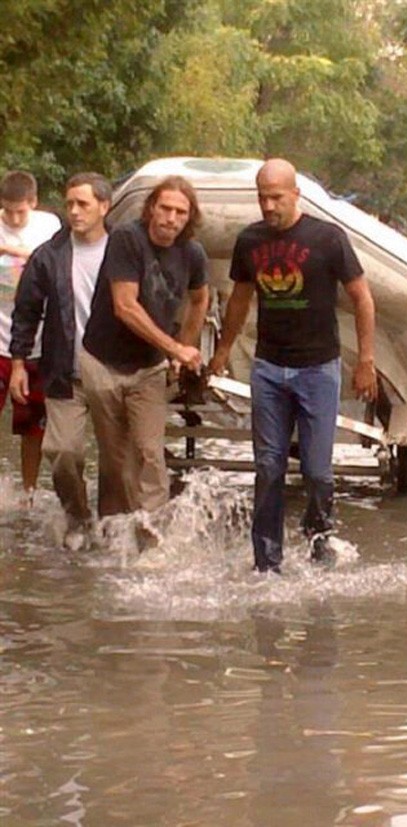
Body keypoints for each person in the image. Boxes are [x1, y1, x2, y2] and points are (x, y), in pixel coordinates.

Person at [208, 158, 377, 573]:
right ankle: (266, 562)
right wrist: (223, 350)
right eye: (262, 198)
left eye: (276, 197)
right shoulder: (250, 240)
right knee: (268, 467)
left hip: (318, 368)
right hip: (269, 368)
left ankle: (319, 543)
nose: (269, 206)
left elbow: (362, 298)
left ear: (295, 194)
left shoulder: (327, 238)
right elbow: (240, 299)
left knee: (318, 472)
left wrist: (366, 360)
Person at [80, 175, 210, 522]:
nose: (171, 218)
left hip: (149, 367)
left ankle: (152, 531)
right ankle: (112, 527)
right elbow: (125, 306)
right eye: (165, 209)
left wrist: (185, 347)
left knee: (150, 452)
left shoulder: (193, 253)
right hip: (103, 360)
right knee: (114, 457)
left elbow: (200, 299)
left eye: (180, 212)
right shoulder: (127, 238)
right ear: (152, 208)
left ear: (189, 217)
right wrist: (175, 348)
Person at [10, 173, 111, 543]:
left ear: (104, 206)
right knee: (62, 451)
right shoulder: (49, 255)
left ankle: (113, 528)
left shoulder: (124, 249)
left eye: (83, 204)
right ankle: (78, 517)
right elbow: (26, 311)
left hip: (114, 370)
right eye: (69, 204)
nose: (74, 211)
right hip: (63, 368)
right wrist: (19, 363)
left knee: (117, 460)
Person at [0, 171, 61, 499]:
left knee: (32, 425)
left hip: (37, 342)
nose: (13, 218)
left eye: (20, 212)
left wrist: (9, 249)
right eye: (7, 211)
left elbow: (53, 266)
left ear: (33, 203)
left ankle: (29, 492)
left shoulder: (49, 226)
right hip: (0, 337)